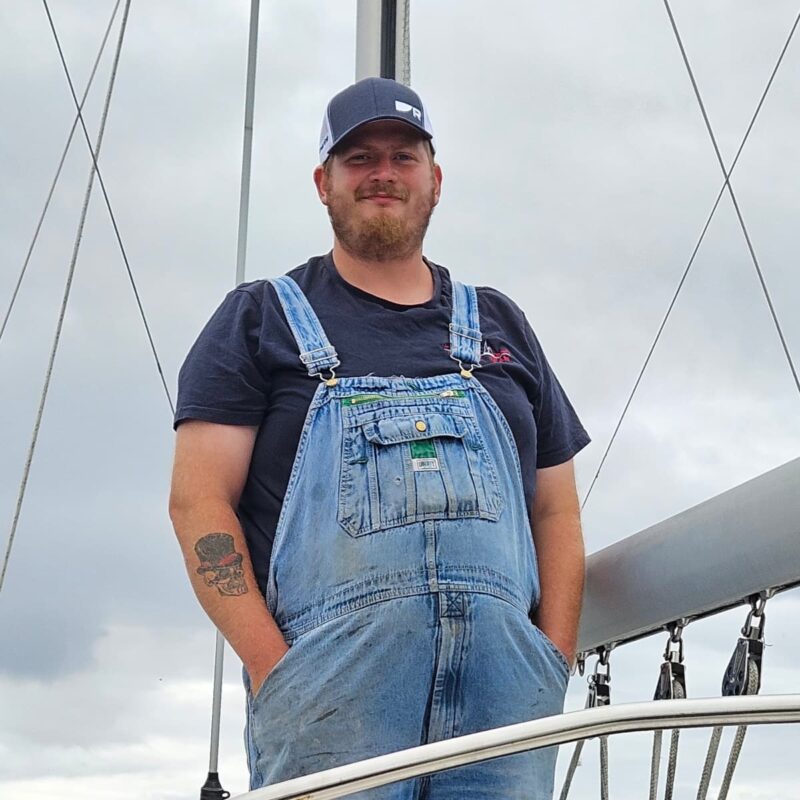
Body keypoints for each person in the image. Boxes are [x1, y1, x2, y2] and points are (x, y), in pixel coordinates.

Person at [169, 77, 590, 798]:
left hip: (507, 709)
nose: (383, 174)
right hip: (328, 704)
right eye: (359, 158)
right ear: (323, 182)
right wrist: (276, 671)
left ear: (435, 179)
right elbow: (198, 502)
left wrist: (551, 658)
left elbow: (555, 510)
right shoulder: (259, 322)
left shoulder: (502, 326)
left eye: (403, 156)